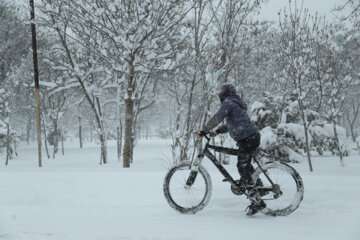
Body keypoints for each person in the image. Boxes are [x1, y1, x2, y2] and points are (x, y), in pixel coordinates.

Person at [198, 84, 265, 216]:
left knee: (242, 166)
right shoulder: (234, 103)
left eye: (221, 92)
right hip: (249, 137)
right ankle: (259, 187)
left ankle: (257, 202)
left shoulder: (229, 102)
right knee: (246, 166)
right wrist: (216, 131)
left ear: (225, 93)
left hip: (248, 138)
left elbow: (218, 117)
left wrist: (204, 130)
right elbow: (232, 124)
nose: (219, 94)